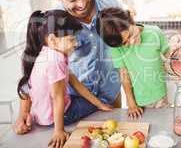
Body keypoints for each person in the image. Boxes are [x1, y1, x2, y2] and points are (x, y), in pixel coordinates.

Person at [14, 0, 121, 134]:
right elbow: (33, 71)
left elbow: (127, 38)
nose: (82, 3)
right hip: (75, 104)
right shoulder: (54, 24)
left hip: (112, 93)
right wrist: (23, 114)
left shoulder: (112, 4)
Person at [17, 10, 112, 148]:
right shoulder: (56, 61)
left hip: (42, 114)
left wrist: (98, 104)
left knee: (97, 102)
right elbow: (58, 98)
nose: (76, 43)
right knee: (104, 99)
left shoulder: (48, 52)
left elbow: (73, 81)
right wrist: (59, 131)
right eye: (71, 39)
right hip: (55, 118)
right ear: (52, 40)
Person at [98, 7, 170, 119]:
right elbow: (124, 74)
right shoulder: (116, 48)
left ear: (131, 19)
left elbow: (170, 57)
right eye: (124, 43)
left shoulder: (155, 33)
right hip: (138, 101)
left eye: (130, 35)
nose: (131, 42)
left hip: (161, 96)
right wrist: (131, 102)